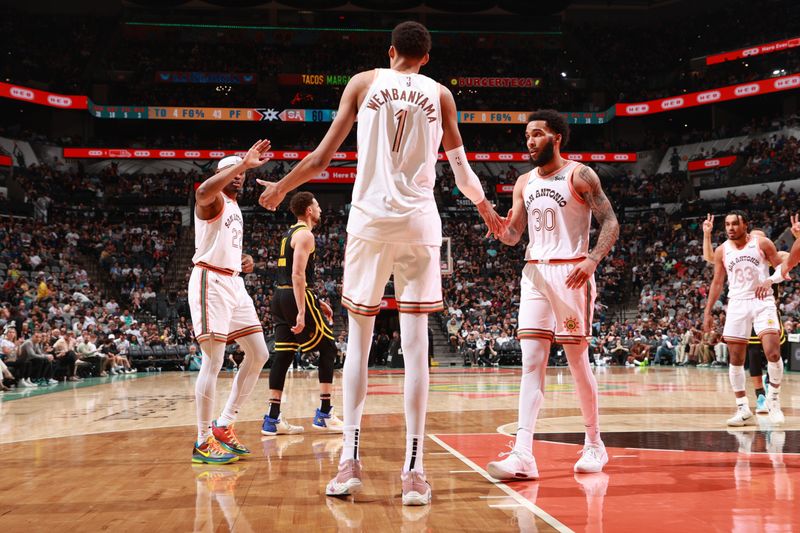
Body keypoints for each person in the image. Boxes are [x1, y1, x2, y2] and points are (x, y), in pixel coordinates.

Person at [256, 21, 504, 505]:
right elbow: (461, 171)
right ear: (427, 58)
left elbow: (324, 157)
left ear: (390, 51)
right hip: (419, 225)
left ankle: (350, 462)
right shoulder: (441, 95)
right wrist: (487, 211)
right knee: (416, 349)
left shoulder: (364, 82)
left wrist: (282, 187)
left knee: (359, 345)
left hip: (369, 224)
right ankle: (414, 470)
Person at [487, 109, 620, 480]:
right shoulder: (523, 182)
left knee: (578, 361)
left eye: (538, 134)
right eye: (527, 135)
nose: (530, 141)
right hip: (534, 272)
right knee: (531, 362)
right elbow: (514, 236)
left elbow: (610, 221)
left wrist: (593, 260)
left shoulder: (580, 174)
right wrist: (498, 226)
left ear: (556, 137)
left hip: (572, 271)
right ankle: (523, 453)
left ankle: (594, 442)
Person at [189, 143, 272, 465]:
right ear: (220, 175)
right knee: (214, 359)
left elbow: (221, 244)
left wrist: (242, 260)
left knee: (259, 353)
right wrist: (242, 165)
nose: (238, 176)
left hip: (234, 282)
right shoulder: (213, 199)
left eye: (241, 172)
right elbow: (201, 192)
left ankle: (224, 423)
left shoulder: (235, 207)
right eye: (231, 170)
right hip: (210, 281)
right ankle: (202, 440)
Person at [261, 191, 343, 436]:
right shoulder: (306, 234)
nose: (319, 209)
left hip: (279, 296)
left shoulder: (289, 234)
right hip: (295, 296)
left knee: (283, 356)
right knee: (329, 348)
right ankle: (325, 413)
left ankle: (272, 419)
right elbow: (298, 275)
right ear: (308, 210)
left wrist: (317, 302)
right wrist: (302, 310)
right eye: (317, 205)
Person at [704, 211, 785, 427]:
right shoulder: (722, 250)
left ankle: (773, 400)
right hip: (737, 304)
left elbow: (782, 268)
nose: (730, 228)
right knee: (736, 359)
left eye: (734, 224)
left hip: (762, 301)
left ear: (745, 225)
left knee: (773, 352)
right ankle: (742, 408)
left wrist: (769, 281)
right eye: (727, 224)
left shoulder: (762, 243)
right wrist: (708, 311)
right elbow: (717, 283)